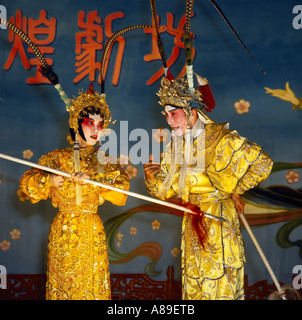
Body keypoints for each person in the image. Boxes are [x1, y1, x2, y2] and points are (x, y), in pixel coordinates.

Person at [143, 75, 273, 300]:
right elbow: (165, 192)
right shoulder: (176, 146)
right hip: (192, 220)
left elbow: (264, 163)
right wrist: (152, 177)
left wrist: (235, 190)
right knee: (195, 282)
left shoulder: (221, 138)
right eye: (166, 115)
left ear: (191, 112)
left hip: (219, 218)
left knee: (221, 279)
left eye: (173, 114)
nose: (169, 120)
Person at [20, 85, 130, 300]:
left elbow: (122, 189)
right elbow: (26, 184)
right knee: (62, 287)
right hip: (62, 230)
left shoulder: (105, 161)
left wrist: (96, 181)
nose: (95, 129)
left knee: (92, 287)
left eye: (100, 124)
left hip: (91, 231)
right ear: (75, 124)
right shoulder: (57, 158)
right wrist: (47, 180)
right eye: (90, 123)